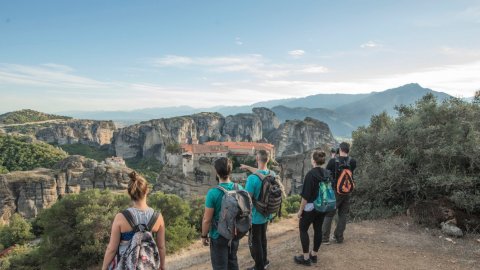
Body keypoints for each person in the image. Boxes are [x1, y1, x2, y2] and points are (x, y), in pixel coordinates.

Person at [102, 171, 166, 270]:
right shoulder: (158, 217)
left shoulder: (121, 217)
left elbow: (112, 248)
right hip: (147, 266)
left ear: (129, 193)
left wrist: (104, 267)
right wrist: (162, 266)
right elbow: (161, 247)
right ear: (147, 191)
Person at [201, 157, 243, 270]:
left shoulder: (213, 193)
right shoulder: (239, 188)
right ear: (230, 171)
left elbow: (207, 219)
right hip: (234, 234)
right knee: (233, 262)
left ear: (216, 172)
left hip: (218, 235)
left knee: (220, 266)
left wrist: (204, 236)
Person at [294, 150, 328, 266]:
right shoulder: (326, 173)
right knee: (318, 229)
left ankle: (306, 258)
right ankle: (314, 255)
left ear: (313, 160)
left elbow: (305, 196)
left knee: (303, 229)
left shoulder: (310, 174)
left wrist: (300, 210)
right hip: (322, 206)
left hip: (310, 207)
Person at [240, 150, 273, 270]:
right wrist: (248, 167)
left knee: (256, 241)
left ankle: (259, 266)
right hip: (267, 213)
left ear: (257, 159)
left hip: (255, 215)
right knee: (263, 238)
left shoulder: (252, 179)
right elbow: (260, 172)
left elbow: (246, 198)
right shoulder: (271, 174)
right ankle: (264, 261)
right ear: (268, 160)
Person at [322, 142, 356, 244]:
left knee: (329, 214)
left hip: (335, 192)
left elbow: (326, 174)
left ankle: (324, 239)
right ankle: (339, 237)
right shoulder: (353, 161)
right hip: (347, 191)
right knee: (343, 214)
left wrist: (333, 158)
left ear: (340, 149)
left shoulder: (333, 161)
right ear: (348, 150)